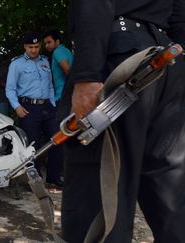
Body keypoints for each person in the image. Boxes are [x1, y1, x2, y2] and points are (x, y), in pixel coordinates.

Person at [60, 0, 185, 242]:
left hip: (121, 58)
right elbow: (181, 17)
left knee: (99, 195)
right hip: (167, 62)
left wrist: (87, 74)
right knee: (171, 195)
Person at [6, 32, 63, 188]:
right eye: (30, 47)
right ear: (25, 47)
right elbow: (10, 89)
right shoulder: (16, 64)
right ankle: (35, 181)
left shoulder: (45, 61)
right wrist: (16, 107)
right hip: (28, 108)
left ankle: (53, 177)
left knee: (58, 140)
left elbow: (50, 86)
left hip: (47, 107)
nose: (33, 50)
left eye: (37, 47)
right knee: (33, 146)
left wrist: (52, 103)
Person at [42, 30, 73, 102]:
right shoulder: (66, 50)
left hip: (64, 95)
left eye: (49, 42)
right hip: (69, 94)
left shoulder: (57, 51)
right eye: (45, 43)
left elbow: (68, 70)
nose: (46, 45)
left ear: (57, 42)